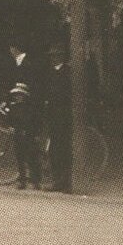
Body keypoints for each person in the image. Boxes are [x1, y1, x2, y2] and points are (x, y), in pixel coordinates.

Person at [43, 45, 74, 192]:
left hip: (64, 115)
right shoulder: (49, 73)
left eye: (56, 56)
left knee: (64, 149)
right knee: (54, 149)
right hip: (53, 115)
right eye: (52, 56)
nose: (53, 59)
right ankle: (57, 180)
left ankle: (65, 182)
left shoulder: (68, 72)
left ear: (61, 57)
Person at [2, 79, 42, 190]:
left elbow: (36, 121)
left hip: (30, 134)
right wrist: (10, 126)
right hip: (18, 134)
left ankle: (36, 181)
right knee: (20, 158)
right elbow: (10, 119)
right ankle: (22, 180)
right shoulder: (13, 107)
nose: (17, 97)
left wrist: (36, 133)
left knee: (32, 158)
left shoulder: (31, 108)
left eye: (20, 95)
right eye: (16, 95)